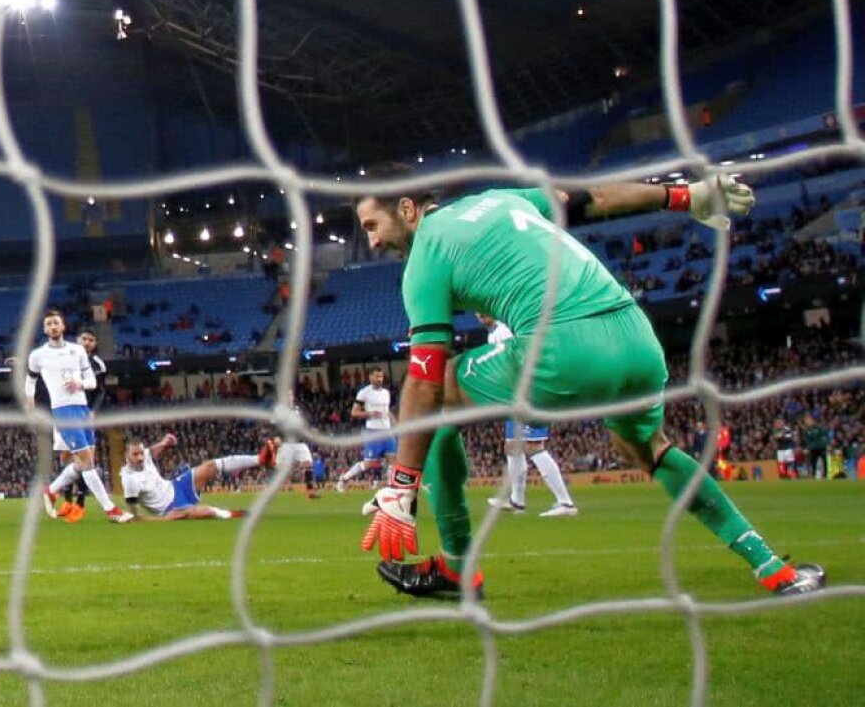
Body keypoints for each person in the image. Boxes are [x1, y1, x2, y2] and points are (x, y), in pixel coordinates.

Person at [353, 164, 824, 598]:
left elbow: (424, 380)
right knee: (647, 449)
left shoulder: (425, 258)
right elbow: (594, 197)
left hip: (563, 350)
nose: (372, 242)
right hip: (636, 338)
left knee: (441, 394)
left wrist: (401, 484)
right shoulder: (501, 199)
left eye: (373, 226)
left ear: (409, 209)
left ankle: (458, 567)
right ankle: (772, 569)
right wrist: (686, 195)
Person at [32, 310, 133, 523]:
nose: (52, 327)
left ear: (63, 326)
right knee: (81, 460)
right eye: (49, 324)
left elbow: (95, 384)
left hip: (83, 410)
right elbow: (30, 378)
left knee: (83, 462)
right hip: (63, 411)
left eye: (56, 323)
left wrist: (81, 384)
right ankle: (110, 510)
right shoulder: (39, 355)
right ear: (45, 329)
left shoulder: (78, 353)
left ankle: (52, 491)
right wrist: (29, 400)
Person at [478, 314, 578, 517]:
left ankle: (565, 503)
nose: (480, 317)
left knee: (533, 446)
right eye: (477, 315)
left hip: (529, 392)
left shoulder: (505, 332)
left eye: (483, 312)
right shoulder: (494, 335)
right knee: (512, 446)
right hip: (514, 396)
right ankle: (517, 501)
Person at [120, 433, 259, 521]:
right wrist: (166, 519)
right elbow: (137, 518)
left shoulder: (145, 454)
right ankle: (235, 515)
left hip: (176, 486)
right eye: (135, 454)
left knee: (210, 466)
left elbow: (150, 451)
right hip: (171, 508)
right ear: (127, 456)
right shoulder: (130, 480)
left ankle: (260, 459)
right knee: (207, 511)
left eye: (140, 453)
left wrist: (163, 443)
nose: (140, 457)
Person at [62, 326, 108, 514]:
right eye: (84, 338)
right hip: (65, 411)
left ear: (95, 343)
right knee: (66, 457)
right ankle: (66, 499)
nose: (87, 342)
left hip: (84, 415)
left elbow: (101, 391)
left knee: (85, 458)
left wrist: (93, 411)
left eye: (91, 339)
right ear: (78, 340)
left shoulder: (99, 365)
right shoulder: (66, 357)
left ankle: (80, 501)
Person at [336, 367, 396, 493]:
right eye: (377, 376)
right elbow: (354, 412)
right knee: (369, 463)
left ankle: (392, 488)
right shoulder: (364, 392)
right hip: (373, 431)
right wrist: (370, 413)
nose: (380, 379)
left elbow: (387, 411)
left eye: (381, 376)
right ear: (370, 377)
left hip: (387, 431)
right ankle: (344, 479)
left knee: (393, 460)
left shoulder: (386, 392)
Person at [801, 413, 829, 480]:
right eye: (805, 420)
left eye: (808, 420)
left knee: (824, 461)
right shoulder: (806, 430)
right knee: (813, 462)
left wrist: (826, 444)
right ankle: (813, 475)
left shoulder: (818, 428)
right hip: (813, 448)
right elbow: (807, 441)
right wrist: (807, 448)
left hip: (821, 447)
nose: (807, 422)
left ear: (812, 420)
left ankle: (825, 476)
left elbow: (824, 436)